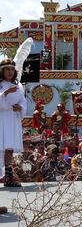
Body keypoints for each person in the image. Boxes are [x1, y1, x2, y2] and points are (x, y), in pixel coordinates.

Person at [0, 59, 27, 187]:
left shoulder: (19, 85)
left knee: (9, 148)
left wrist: (20, 107)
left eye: (12, 69)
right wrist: (5, 93)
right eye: (7, 69)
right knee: (2, 147)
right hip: (2, 118)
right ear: (2, 71)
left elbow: (23, 101)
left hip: (13, 118)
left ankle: (9, 176)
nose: (10, 72)